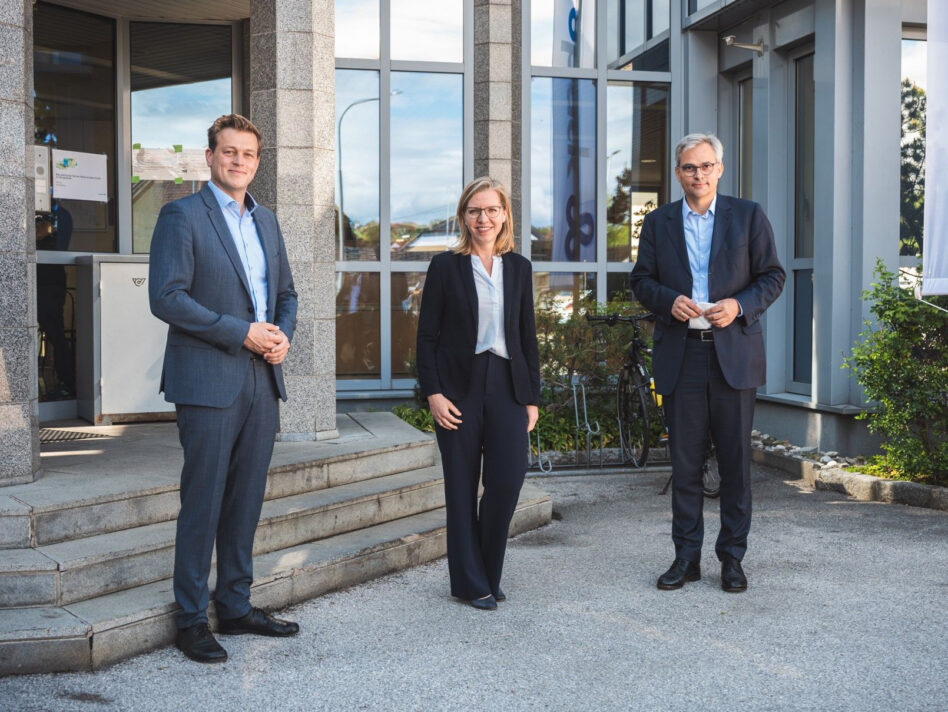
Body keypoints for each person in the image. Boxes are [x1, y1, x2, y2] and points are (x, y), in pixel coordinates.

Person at [149, 114, 300, 663]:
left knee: (245, 501)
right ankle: (190, 619)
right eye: (229, 152)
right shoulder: (181, 215)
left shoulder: (269, 223)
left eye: (248, 154)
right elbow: (167, 298)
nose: (239, 161)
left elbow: (286, 293)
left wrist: (281, 338)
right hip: (209, 379)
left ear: (258, 162)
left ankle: (234, 606)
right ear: (209, 157)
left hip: (263, 379)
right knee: (204, 501)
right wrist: (243, 334)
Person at [630, 133, 785, 593]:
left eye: (705, 166)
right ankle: (686, 558)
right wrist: (666, 301)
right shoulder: (658, 223)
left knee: (736, 464)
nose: (697, 174)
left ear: (720, 168)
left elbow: (773, 276)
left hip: (733, 355)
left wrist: (738, 305)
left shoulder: (749, 216)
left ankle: (732, 559)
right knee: (685, 463)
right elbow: (641, 280)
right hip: (682, 356)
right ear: (677, 173)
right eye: (688, 167)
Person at [416, 177, 541, 610]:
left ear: (504, 214)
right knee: (461, 486)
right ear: (463, 217)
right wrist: (432, 392)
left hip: (507, 384)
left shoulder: (520, 268)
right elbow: (426, 337)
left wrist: (532, 397)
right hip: (458, 388)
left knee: (507, 480)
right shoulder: (445, 267)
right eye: (474, 211)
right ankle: (471, 582)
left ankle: (488, 571)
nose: (483, 218)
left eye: (491, 210)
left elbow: (528, 337)